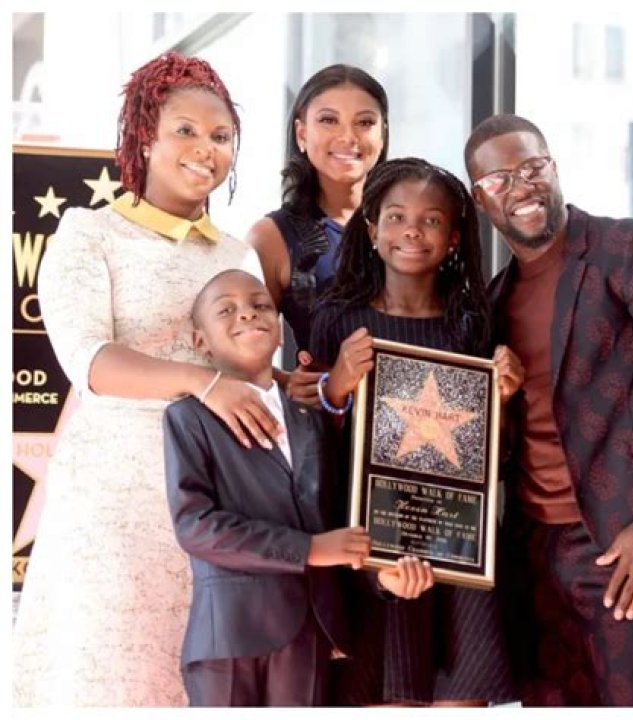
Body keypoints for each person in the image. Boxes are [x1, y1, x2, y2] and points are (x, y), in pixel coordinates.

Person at [12, 52, 280, 707]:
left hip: (214, 499)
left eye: (221, 136)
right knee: (108, 677)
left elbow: (251, 369)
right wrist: (203, 382)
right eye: (185, 130)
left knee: (201, 684)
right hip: (114, 499)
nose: (205, 148)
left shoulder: (238, 254)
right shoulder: (90, 233)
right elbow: (89, 362)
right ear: (144, 138)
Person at [464, 113, 633, 706]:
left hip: (623, 542)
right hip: (531, 558)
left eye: (532, 167)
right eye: (499, 180)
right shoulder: (492, 301)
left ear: (553, 167)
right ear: (480, 199)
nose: (521, 186)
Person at [309, 157, 523, 706]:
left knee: (461, 694)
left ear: (453, 238)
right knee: (382, 693)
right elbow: (310, 449)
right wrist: (337, 386)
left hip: (459, 544)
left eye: (431, 220)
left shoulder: (473, 325)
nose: (412, 231)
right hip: (370, 547)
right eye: (397, 217)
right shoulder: (338, 320)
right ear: (371, 230)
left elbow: (495, 460)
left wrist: (501, 400)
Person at [163, 268, 374, 706]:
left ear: (279, 328)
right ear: (201, 341)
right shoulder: (188, 417)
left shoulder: (312, 418)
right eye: (226, 310)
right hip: (228, 635)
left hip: (310, 632)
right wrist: (309, 549)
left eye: (260, 305)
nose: (247, 314)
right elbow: (196, 526)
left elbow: (337, 512)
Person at [244, 64, 388, 404]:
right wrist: (287, 383)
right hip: (325, 427)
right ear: (301, 134)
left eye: (365, 122)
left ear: (382, 135)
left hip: (423, 422)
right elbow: (239, 350)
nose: (348, 137)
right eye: (328, 120)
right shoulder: (272, 237)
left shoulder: (411, 226)